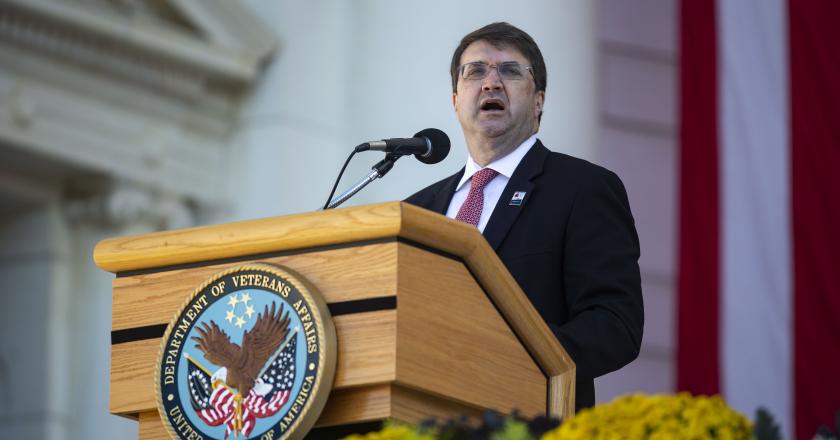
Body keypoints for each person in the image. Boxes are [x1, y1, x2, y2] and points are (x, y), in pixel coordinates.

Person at [405, 22, 644, 410]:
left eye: (511, 71)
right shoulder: (416, 211)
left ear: (538, 101)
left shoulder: (581, 188)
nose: (491, 83)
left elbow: (615, 326)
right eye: (475, 71)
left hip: (529, 420)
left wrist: (507, 355)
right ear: (455, 100)